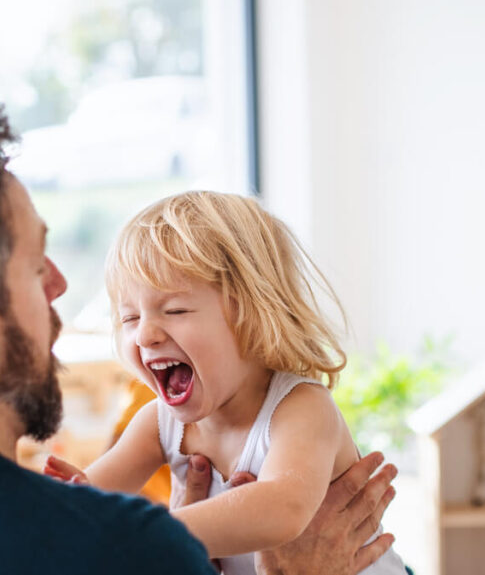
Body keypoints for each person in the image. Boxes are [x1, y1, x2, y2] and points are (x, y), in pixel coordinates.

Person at [0, 91, 397, 574]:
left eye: (173, 309)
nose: (61, 285)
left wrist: (76, 496)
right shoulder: (124, 550)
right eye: (36, 265)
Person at [44, 191, 406, 573]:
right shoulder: (157, 423)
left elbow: (282, 511)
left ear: (250, 315)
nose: (145, 335)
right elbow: (93, 512)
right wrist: (74, 504)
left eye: (175, 310)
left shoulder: (300, 408)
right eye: (129, 318)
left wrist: (150, 533)